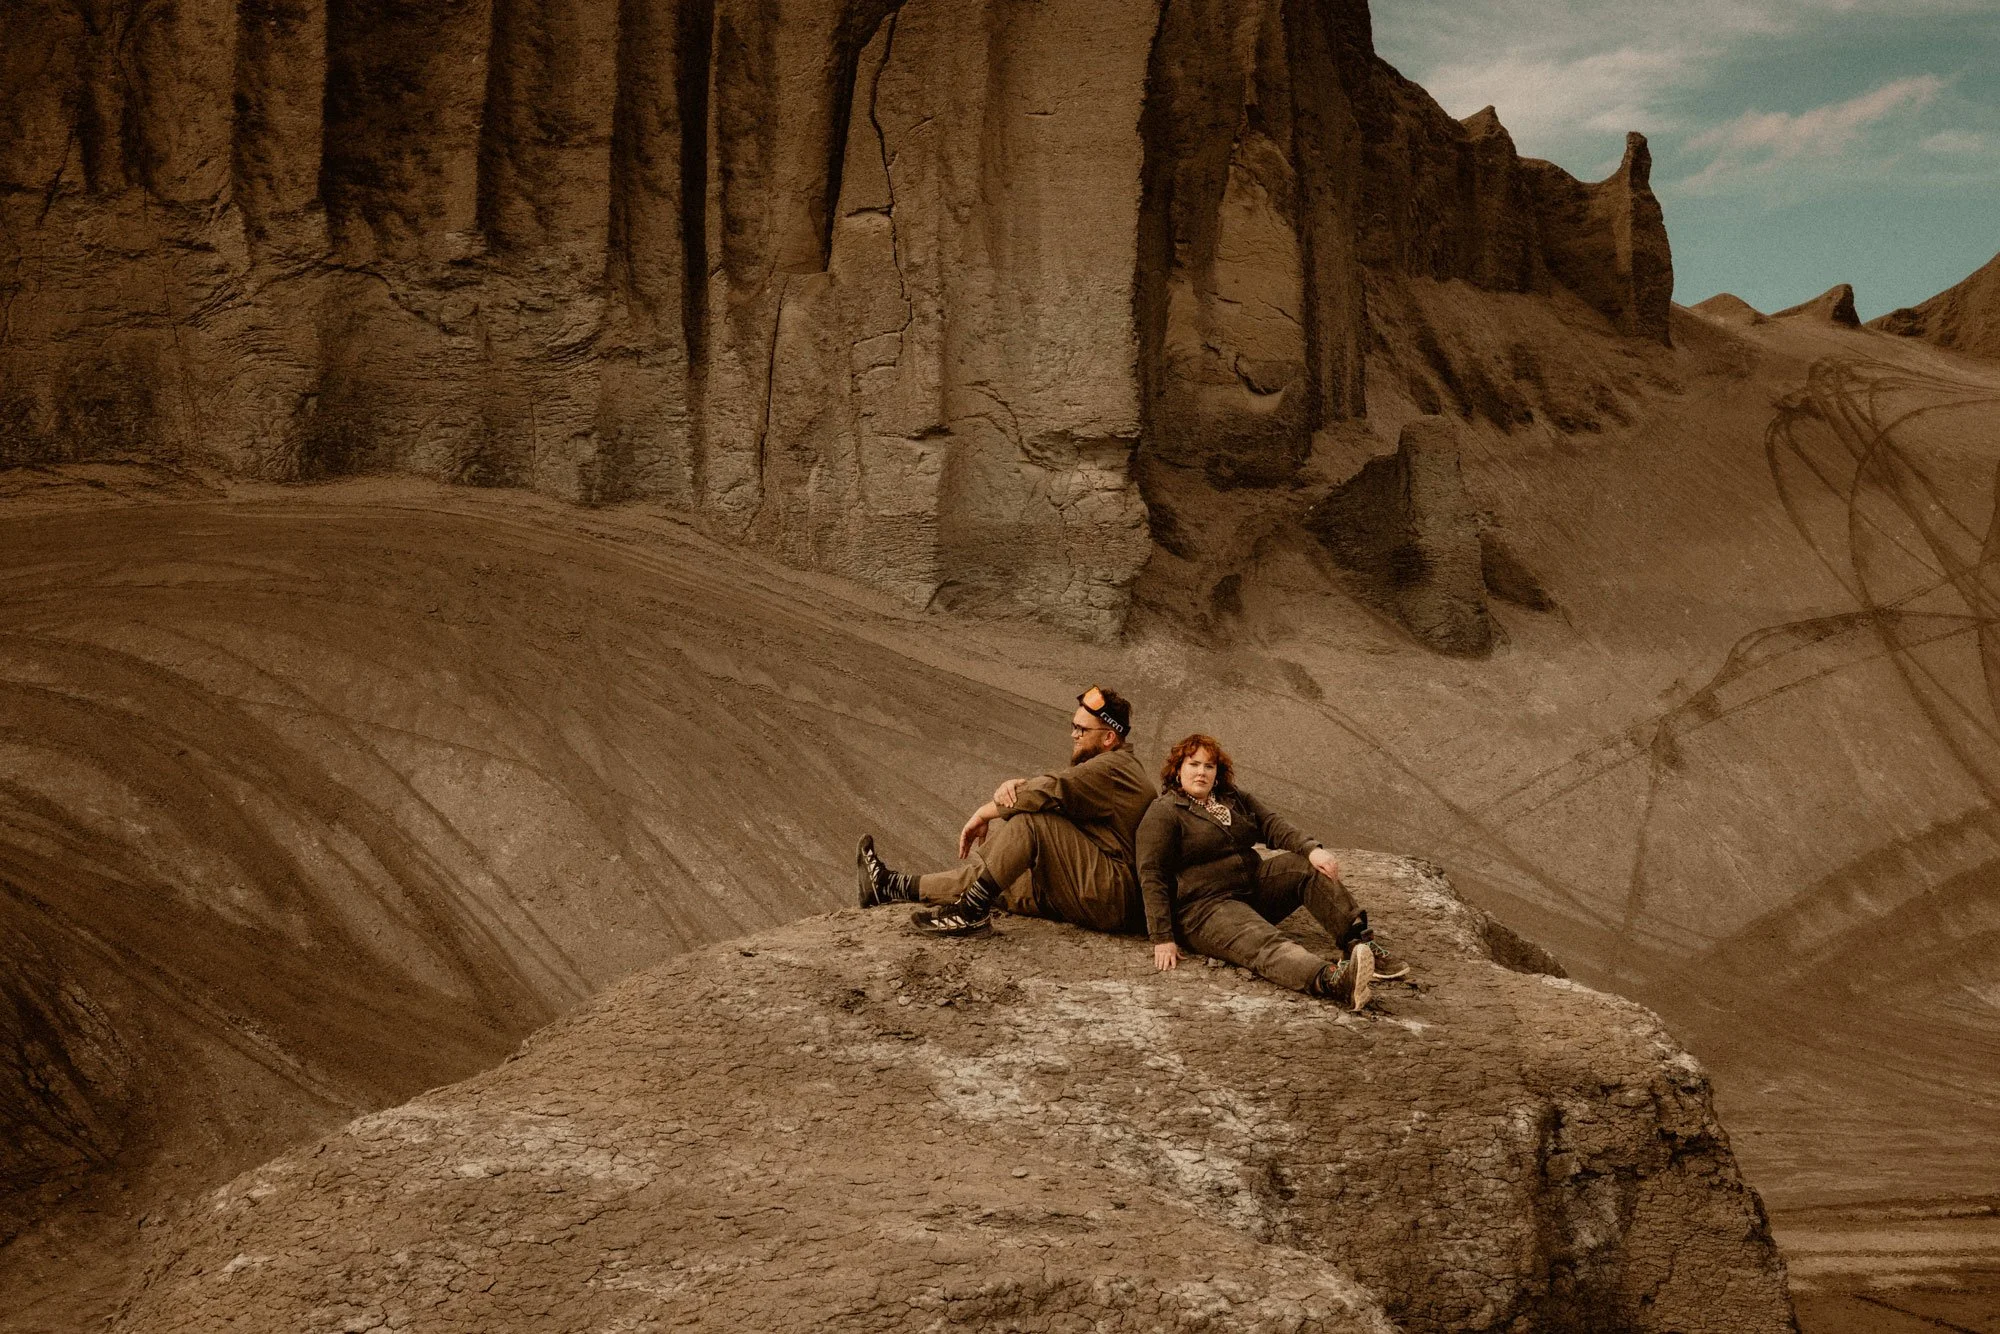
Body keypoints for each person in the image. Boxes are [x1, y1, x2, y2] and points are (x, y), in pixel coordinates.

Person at [1137, 733, 1409, 1010]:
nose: (1201, 772)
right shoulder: (1165, 812)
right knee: (1265, 943)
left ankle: (1359, 944)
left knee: (1306, 867)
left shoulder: (1232, 798)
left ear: (1217, 773)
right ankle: (1333, 980)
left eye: (1209, 766)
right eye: (1193, 764)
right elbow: (1151, 875)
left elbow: (1271, 824)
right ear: (1178, 769)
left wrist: (1311, 850)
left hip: (1253, 887)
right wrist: (1162, 937)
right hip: (1206, 907)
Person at [856, 687, 1155, 938]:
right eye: (1073, 726)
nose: (1073, 734)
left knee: (1032, 823)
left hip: (1113, 892)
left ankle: (970, 914)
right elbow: (1059, 793)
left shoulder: (1114, 768)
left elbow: (1054, 789)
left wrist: (986, 812)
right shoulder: (1111, 770)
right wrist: (1019, 787)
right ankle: (888, 885)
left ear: (1108, 737)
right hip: (1096, 887)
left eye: (1082, 729)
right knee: (993, 877)